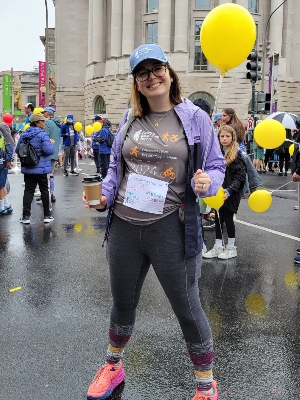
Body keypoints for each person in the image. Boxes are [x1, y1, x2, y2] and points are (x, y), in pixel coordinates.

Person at [82, 43, 225, 400]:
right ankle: (113, 366)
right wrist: (104, 198)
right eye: (142, 73)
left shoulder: (194, 118)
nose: (151, 77)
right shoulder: (131, 118)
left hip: (172, 227)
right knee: (122, 301)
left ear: (169, 72)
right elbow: (117, 167)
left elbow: (217, 166)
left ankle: (205, 384)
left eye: (156, 68)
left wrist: (208, 183)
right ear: (136, 81)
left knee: (187, 307)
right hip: (125, 226)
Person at [203, 125, 246, 260]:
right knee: (218, 219)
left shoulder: (237, 155)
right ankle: (218, 246)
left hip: (231, 193)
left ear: (232, 137)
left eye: (227, 136)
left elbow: (240, 177)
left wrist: (230, 190)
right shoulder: (217, 154)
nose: (224, 139)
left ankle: (231, 247)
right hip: (218, 193)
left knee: (228, 218)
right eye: (222, 136)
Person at [16, 114, 54, 224]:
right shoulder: (43, 134)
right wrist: (51, 144)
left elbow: (18, 150)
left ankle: (25, 216)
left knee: (28, 191)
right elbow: (49, 151)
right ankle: (47, 215)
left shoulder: (24, 134)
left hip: (28, 167)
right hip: (41, 168)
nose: (44, 123)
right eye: (42, 121)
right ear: (36, 123)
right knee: (44, 191)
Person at [39, 107, 61, 202]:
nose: (43, 115)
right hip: (55, 151)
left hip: (47, 151)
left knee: (45, 174)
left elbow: (44, 136)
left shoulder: (47, 123)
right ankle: (52, 193)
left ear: (47, 113)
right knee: (51, 173)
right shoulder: (57, 124)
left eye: (44, 113)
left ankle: (46, 194)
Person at [0, 121, 14, 215]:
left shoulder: (2, 130)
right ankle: (6, 204)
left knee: (1, 186)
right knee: (3, 184)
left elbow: (9, 146)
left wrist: (8, 159)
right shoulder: (6, 134)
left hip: (2, 161)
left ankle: (2, 207)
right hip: (3, 161)